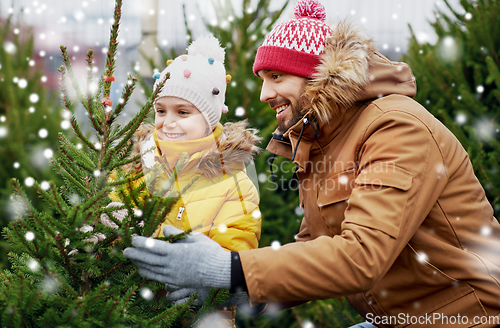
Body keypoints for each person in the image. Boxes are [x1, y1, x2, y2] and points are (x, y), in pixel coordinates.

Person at [124, 0, 500, 327]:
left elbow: (361, 256)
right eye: (262, 78)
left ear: (317, 77)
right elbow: (315, 244)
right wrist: (234, 294)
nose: (264, 93)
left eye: (276, 76)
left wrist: (228, 269)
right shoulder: (324, 140)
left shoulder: (397, 128)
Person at [110, 35, 262, 327]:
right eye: (161, 110)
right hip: (129, 309)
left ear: (210, 118)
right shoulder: (135, 166)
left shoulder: (232, 184)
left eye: (183, 112)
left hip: (199, 317)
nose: (168, 122)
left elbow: (235, 260)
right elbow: (111, 211)